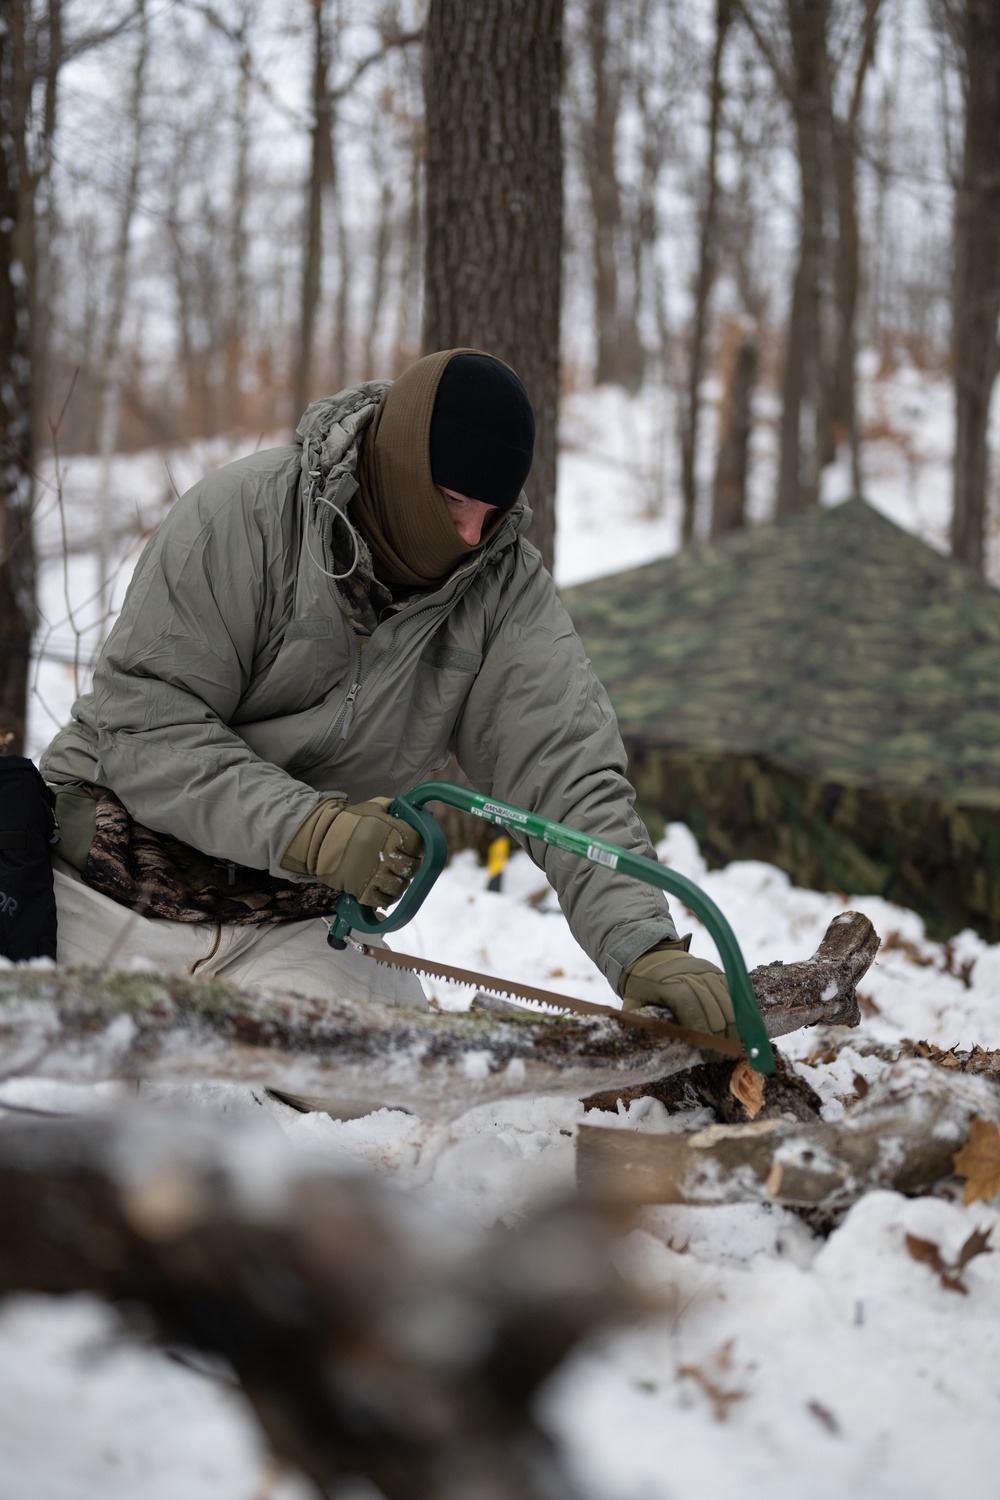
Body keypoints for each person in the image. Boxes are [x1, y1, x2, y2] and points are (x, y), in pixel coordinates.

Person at [40, 348, 735, 1038]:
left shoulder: (502, 587)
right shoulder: (245, 516)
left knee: (379, 1088)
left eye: (492, 514)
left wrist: (644, 947)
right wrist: (308, 829)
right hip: (110, 883)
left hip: (287, 923)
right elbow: (144, 725)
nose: (469, 535)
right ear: (399, 465)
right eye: (454, 501)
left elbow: (566, 769)